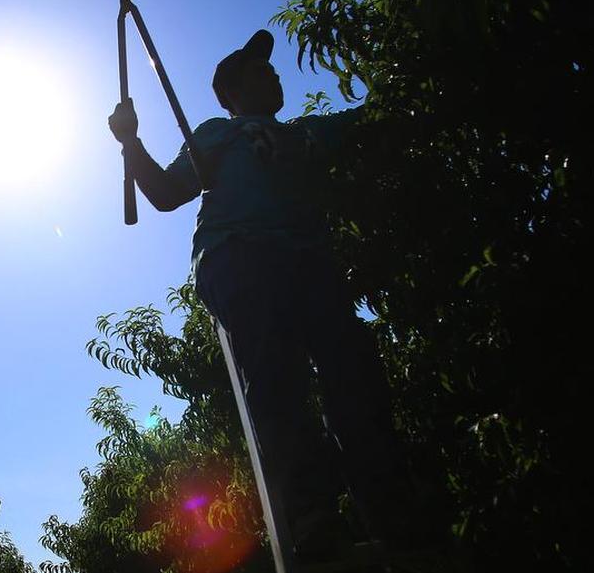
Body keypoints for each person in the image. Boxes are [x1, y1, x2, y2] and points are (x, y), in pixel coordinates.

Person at [107, 30, 437, 563]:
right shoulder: (218, 134)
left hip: (308, 261)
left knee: (355, 380)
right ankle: (313, 518)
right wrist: (131, 142)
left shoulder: (308, 133)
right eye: (260, 70)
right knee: (278, 381)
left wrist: (409, 81)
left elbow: (377, 121)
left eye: (273, 69)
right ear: (231, 92)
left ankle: (392, 510)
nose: (274, 74)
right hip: (240, 255)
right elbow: (167, 195)